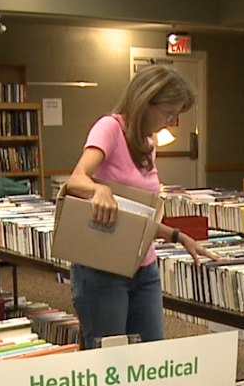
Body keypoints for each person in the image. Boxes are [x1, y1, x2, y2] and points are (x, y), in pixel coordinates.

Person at [66, 65, 217, 348]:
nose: (171, 121)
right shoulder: (110, 128)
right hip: (103, 270)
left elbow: (137, 216)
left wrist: (179, 236)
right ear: (146, 100)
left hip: (144, 268)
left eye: (176, 115)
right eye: (169, 113)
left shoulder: (148, 142)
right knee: (111, 362)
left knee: (151, 361)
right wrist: (100, 189)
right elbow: (76, 180)